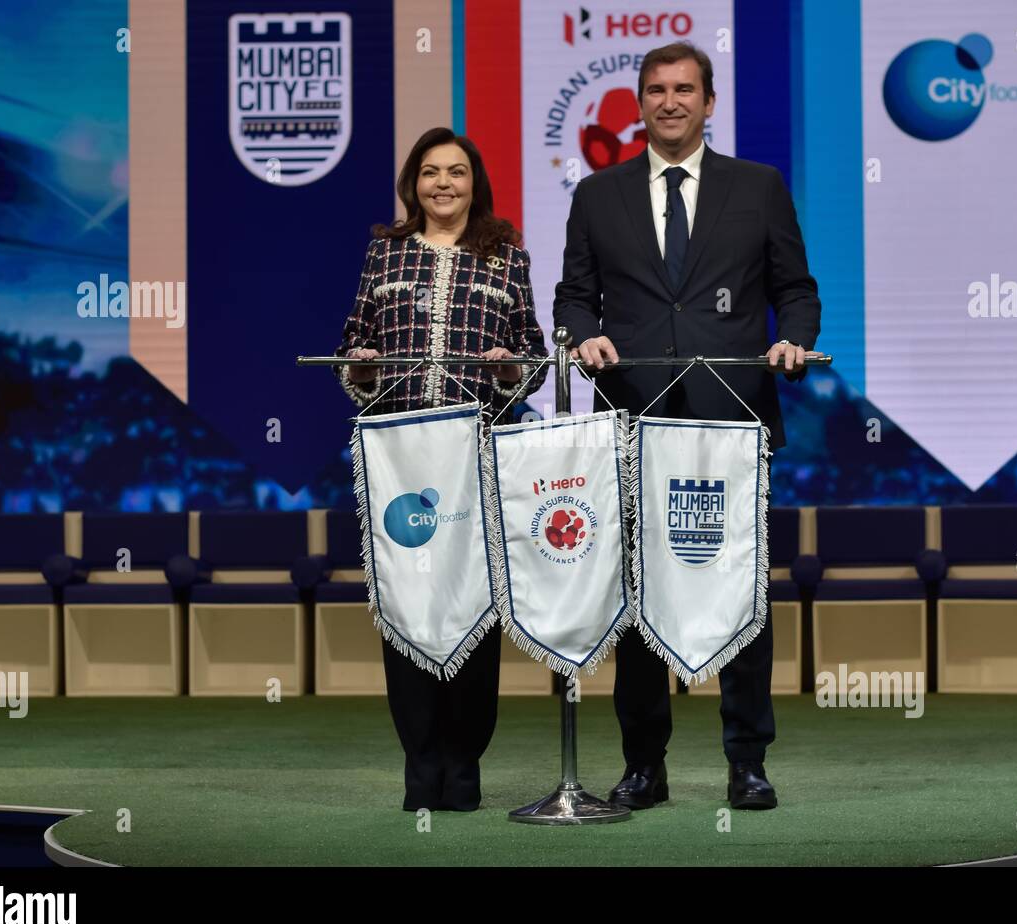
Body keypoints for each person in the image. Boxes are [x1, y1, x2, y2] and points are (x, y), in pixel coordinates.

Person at [553, 42, 822, 811]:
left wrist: (791, 337)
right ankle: (645, 765)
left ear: (709, 102)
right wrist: (581, 336)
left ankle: (747, 762)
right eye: (656, 90)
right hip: (633, 421)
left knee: (739, 592)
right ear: (640, 104)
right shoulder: (597, 194)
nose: (670, 101)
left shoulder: (758, 187)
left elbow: (795, 289)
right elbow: (574, 297)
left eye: (684, 89)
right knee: (638, 599)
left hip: (730, 422)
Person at [335, 127, 547, 811]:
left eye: (456, 172)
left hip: (475, 459)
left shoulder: (507, 259)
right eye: (430, 172)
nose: (444, 184)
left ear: (474, 182)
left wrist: (510, 370)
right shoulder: (383, 253)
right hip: (398, 458)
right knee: (408, 603)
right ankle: (420, 764)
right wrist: (361, 367)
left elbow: (532, 355)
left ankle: (464, 762)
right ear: (413, 184)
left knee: (473, 610)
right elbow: (352, 347)